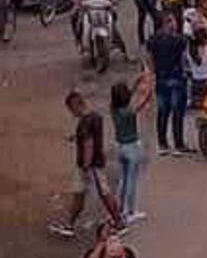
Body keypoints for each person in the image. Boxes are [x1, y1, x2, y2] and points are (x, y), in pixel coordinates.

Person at [49, 89, 121, 239]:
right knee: (89, 194)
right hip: (97, 162)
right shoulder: (95, 117)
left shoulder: (84, 123)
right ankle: (116, 221)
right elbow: (90, 137)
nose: (71, 113)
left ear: (76, 105)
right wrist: (76, 137)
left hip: (88, 165)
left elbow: (89, 144)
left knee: (94, 193)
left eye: (71, 109)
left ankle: (71, 225)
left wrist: (86, 167)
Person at [146, 12, 191, 156]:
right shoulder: (179, 40)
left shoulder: (153, 40)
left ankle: (162, 144)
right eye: (172, 21)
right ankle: (178, 144)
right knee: (177, 112)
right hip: (176, 78)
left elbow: (150, 60)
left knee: (163, 112)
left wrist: (153, 75)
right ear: (167, 22)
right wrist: (187, 73)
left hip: (161, 79)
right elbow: (184, 59)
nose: (175, 23)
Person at [110, 75, 153, 224]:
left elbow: (130, 95)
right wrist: (148, 94)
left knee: (123, 179)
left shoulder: (113, 109)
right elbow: (140, 106)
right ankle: (130, 211)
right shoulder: (127, 111)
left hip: (120, 146)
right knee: (131, 181)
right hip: (132, 147)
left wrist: (137, 82)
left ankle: (121, 208)